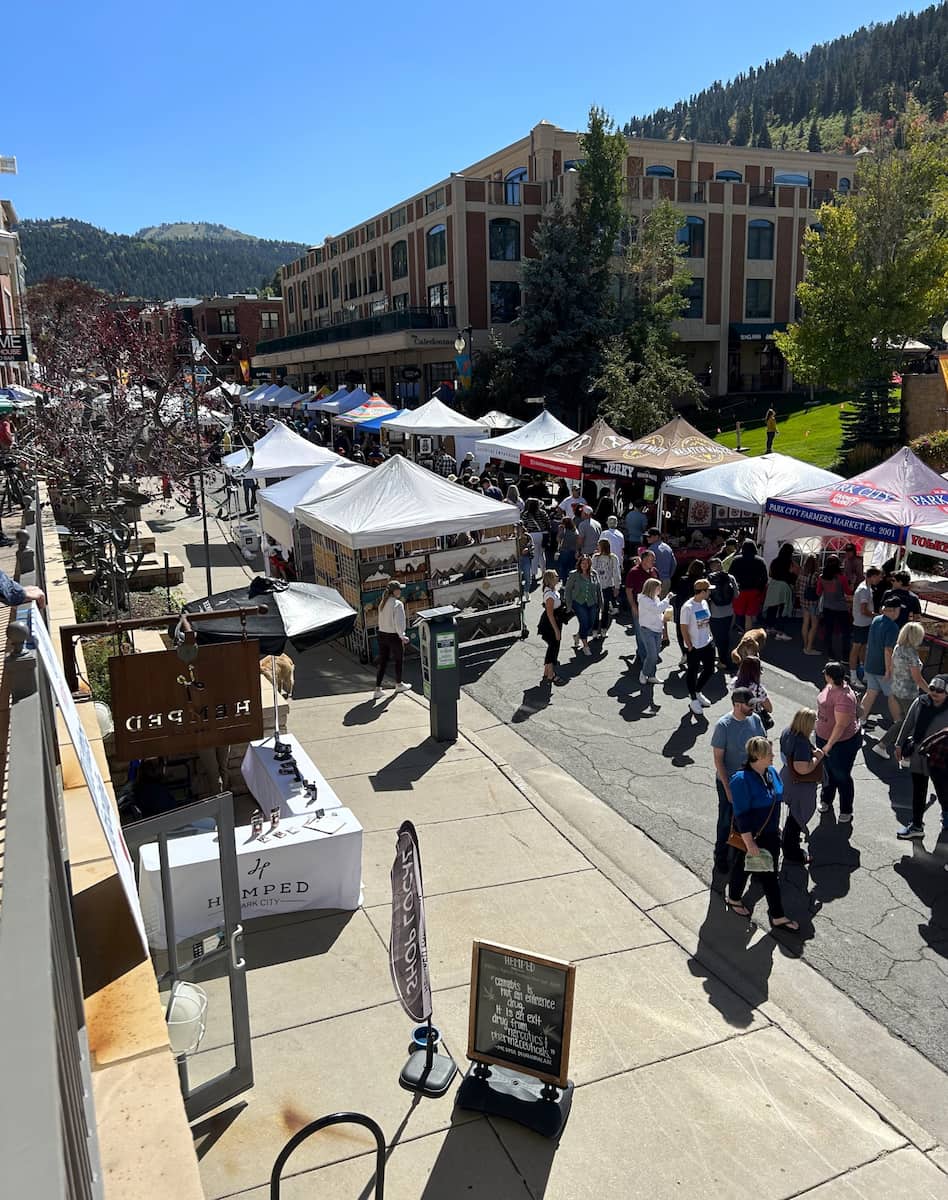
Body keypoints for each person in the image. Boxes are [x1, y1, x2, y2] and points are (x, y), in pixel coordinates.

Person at [726, 737, 799, 931]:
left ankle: (733, 897)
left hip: (771, 834)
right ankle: (777, 915)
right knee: (768, 876)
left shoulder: (772, 772)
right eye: (769, 754)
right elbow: (741, 815)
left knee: (744, 867)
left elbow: (776, 802)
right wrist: (750, 844)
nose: (773, 756)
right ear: (757, 756)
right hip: (753, 836)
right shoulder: (741, 780)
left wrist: (777, 827)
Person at [710, 689, 766, 873]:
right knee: (726, 820)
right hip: (730, 782)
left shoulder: (755, 720)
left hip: (751, 780)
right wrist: (727, 789)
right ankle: (721, 855)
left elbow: (762, 747)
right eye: (749, 704)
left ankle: (744, 854)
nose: (752, 707)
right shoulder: (723, 726)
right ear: (736, 705)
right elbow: (718, 760)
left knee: (750, 819)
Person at [893, 675, 948, 838]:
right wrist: (898, 744)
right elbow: (908, 723)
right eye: (932, 688)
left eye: (940, 690)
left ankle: (946, 816)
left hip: (941, 757)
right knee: (918, 791)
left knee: (943, 789)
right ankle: (916, 825)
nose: (935, 693)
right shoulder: (920, 702)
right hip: (919, 754)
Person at [874, 621, 930, 759]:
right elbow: (918, 679)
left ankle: (886, 746)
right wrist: (931, 691)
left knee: (903, 722)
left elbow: (893, 667)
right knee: (908, 723)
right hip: (908, 693)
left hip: (896, 688)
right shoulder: (911, 654)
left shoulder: (898, 648)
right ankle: (894, 750)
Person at [815, 662, 861, 824]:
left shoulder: (844, 697)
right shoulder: (830, 686)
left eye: (825, 673)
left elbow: (841, 725)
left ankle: (846, 809)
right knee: (827, 772)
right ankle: (826, 799)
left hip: (841, 743)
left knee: (841, 775)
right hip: (823, 737)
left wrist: (829, 745)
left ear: (830, 676)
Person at [779, 708, 824, 864]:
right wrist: (817, 758)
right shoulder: (801, 742)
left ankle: (787, 839)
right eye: (814, 722)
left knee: (792, 815)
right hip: (799, 785)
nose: (815, 724)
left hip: (787, 778)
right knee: (797, 817)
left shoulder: (787, 731)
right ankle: (792, 851)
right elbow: (802, 769)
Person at [860, 595, 902, 722]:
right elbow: (888, 650)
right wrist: (889, 670)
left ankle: (860, 720)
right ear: (895, 610)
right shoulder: (892, 627)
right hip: (882, 667)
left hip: (870, 663)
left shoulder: (876, 620)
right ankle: (898, 723)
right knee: (892, 695)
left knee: (871, 692)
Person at [680, 577, 715, 717]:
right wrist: (689, 645)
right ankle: (693, 698)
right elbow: (683, 627)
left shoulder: (705, 603)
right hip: (694, 646)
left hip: (707, 643)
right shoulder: (688, 607)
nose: (710, 593)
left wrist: (711, 637)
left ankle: (698, 691)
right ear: (702, 591)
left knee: (709, 669)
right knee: (692, 672)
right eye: (708, 591)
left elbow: (707, 622)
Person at [374, 582, 412, 699]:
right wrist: (402, 636)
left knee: (383, 661)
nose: (400, 591)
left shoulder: (383, 603)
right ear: (394, 591)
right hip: (393, 636)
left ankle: (377, 689)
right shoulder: (397, 604)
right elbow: (399, 623)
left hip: (382, 634)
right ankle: (399, 684)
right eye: (399, 589)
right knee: (398, 660)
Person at [816, 553, 852, 660]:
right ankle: (845, 656)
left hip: (828, 607)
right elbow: (848, 591)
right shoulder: (842, 578)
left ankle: (830, 653)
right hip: (841, 608)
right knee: (845, 632)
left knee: (828, 631)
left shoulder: (821, 577)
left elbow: (818, 592)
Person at [564, 554, 601, 657]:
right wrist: (569, 605)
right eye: (583, 563)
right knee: (584, 622)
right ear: (579, 564)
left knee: (591, 623)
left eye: (587, 563)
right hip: (579, 602)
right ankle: (585, 646)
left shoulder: (594, 574)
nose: (584, 565)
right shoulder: (574, 574)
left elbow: (598, 589)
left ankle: (577, 636)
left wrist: (600, 603)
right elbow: (567, 590)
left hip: (592, 602)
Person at [625, 550, 658, 663]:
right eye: (651, 560)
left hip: (652, 608)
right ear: (643, 560)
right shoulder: (634, 572)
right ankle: (644, 658)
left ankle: (643, 653)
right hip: (639, 608)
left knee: (651, 632)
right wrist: (633, 606)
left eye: (654, 560)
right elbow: (629, 591)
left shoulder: (654, 571)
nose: (653, 562)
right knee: (640, 633)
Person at [637, 577, 672, 686]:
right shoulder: (643, 599)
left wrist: (664, 618)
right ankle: (644, 673)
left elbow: (657, 612)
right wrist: (667, 599)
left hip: (657, 630)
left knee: (655, 655)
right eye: (659, 587)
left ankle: (651, 675)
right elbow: (657, 609)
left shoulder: (655, 598)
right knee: (652, 655)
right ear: (652, 588)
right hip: (647, 630)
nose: (660, 589)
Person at [537, 569, 568, 687]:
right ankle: (551, 675)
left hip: (556, 621)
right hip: (550, 624)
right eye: (555, 576)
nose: (558, 577)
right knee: (553, 648)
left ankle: (546, 672)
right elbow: (550, 614)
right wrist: (556, 630)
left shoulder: (552, 591)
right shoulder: (549, 595)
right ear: (550, 579)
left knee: (553, 647)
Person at [706, 557, 738, 670]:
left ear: (711, 567)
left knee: (717, 637)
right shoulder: (730, 577)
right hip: (729, 612)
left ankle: (722, 660)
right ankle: (724, 659)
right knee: (725, 636)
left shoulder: (709, 579)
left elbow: (706, 597)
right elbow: (736, 595)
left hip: (714, 613)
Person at [730, 539, 768, 631]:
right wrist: (760, 589)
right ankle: (747, 637)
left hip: (739, 590)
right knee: (749, 615)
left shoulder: (736, 560)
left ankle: (729, 633)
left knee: (734, 612)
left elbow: (730, 575)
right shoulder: (760, 561)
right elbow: (764, 578)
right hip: (754, 591)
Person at [850, 566, 880, 680]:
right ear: (872, 577)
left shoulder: (867, 588)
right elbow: (863, 610)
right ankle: (853, 676)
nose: (879, 579)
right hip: (860, 623)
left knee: (863, 647)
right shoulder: (864, 590)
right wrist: (875, 615)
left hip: (865, 623)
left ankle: (863, 672)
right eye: (878, 577)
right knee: (856, 648)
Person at [591, 538, 622, 636]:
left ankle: (597, 630)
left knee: (602, 609)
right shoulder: (596, 557)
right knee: (602, 609)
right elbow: (592, 571)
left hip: (604, 586)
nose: (597, 547)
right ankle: (601, 629)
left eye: (598, 545)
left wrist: (616, 586)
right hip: (600, 586)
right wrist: (617, 586)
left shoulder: (612, 558)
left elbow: (616, 573)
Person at [733, 656, 773, 726]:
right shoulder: (758, 688)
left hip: (739, 714)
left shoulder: (734, 682)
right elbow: (769, 709)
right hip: (753, 719)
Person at [798, 554, 822, 655]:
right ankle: (809, 647)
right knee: (814, 625)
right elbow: (819, 590)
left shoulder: (801, 574)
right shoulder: (816, 575)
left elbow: (797, 586)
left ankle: (805, 644)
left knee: (805, 622)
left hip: (803, 601)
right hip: (813, 602)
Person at [522, 498, 549, 581]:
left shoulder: (526, 514)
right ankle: (544, 571)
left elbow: (524, 524)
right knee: (541, 554)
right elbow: (548, 523)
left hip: (532, 535)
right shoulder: (543, 513)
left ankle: (533, 574)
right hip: (543, 534)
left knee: (534, 555)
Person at [646, 528, 677, 596]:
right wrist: (668, 576)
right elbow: (674, 564)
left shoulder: (651, 549)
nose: (647, 538)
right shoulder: (668, 548)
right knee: (663, 604)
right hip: (666, 580)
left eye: (649, 536)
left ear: (656, 537)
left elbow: (647, 566)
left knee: (653, 604)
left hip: (654, 581)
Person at [556, 516, 578, 583]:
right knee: (572, 567)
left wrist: (559, 531)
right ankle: (572, 581)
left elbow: (558, 539)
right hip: (573, 551)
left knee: (564, 567)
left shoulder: (564, 530)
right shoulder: (575, 530)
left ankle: (564, 582)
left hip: (564, 550)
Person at [517, 528, 535, 596]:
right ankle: (520, 595)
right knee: (518, 579)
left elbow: (532, 545)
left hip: (526, 558)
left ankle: (526, 591)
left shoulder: (527, 536)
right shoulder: (512, 536)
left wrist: (528, 548)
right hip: (516, 560)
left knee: (528, 577)